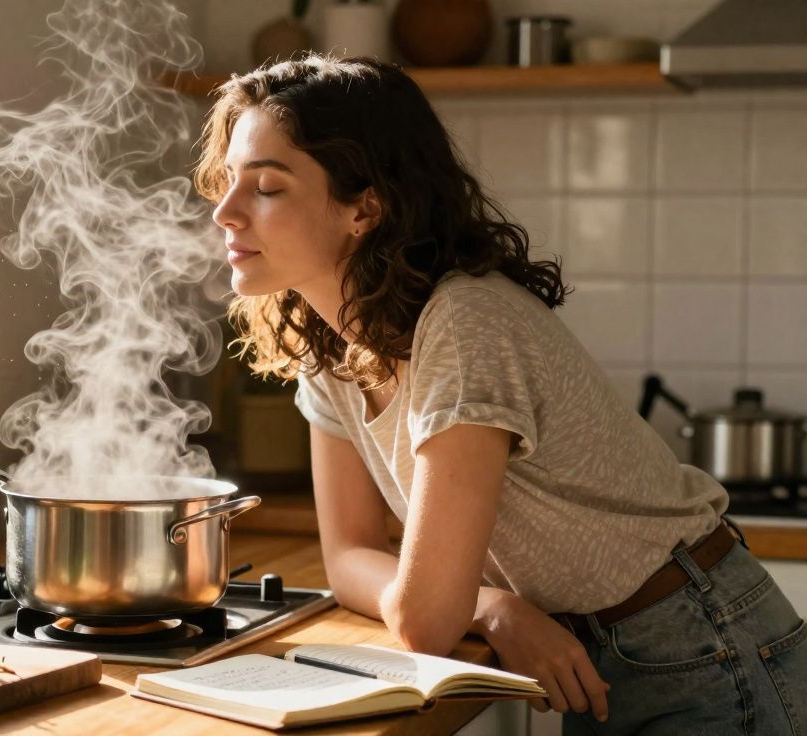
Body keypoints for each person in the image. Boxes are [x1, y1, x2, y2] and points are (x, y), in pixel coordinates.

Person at [198, 54, 806, 734]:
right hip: (600, 652)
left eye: (266, 187)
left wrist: (467, 606)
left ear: (364, 207)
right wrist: (495, 608)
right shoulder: (331, 349)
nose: (225, 211)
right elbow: (348, 559)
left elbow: (427, 620)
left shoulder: (464, 323)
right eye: (228, 181)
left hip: (699, 644)